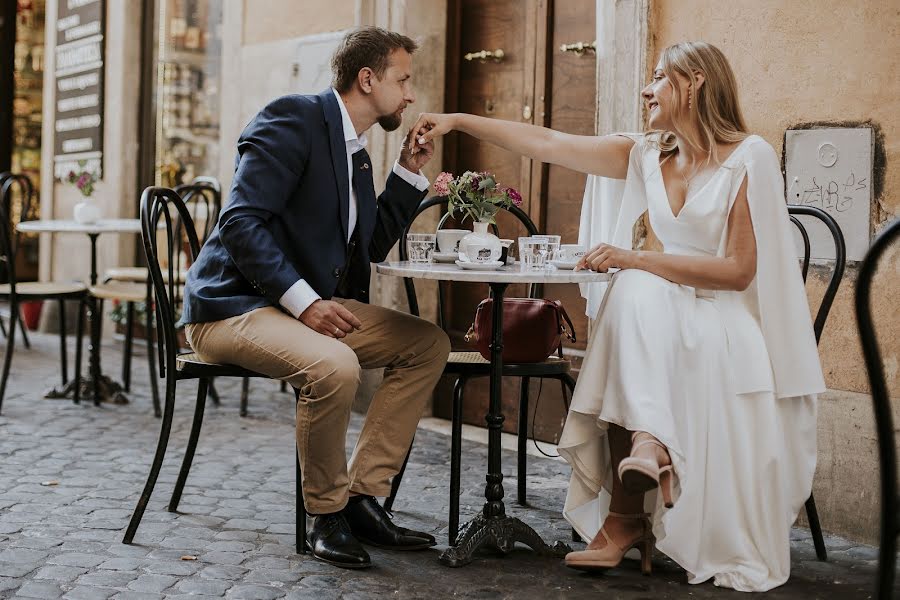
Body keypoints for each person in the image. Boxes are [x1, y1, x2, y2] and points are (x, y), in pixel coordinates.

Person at [406, 41, 824, 591]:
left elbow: (739, 272)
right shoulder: (646, 155)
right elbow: (549, 142)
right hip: (662, 316)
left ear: (694, 82)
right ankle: (647, 454)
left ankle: (626, 511)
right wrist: (458, 122)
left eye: (657, 77)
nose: (646, 90)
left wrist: (636, 257)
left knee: (630, 282)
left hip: (721, 319)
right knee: (631, 290)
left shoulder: (749, 157)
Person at [181, 27, 451, 570]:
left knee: (426, 344)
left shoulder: (359, 156)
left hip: (294, 307)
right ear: (367, 78)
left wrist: (407, 173)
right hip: (235, 306)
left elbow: (366, 249)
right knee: (335, 365)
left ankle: (360, 498)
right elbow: (240, 223)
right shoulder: (293, 119)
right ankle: (324, 512)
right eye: (403, 79)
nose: (411, 94)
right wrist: (305, 303)